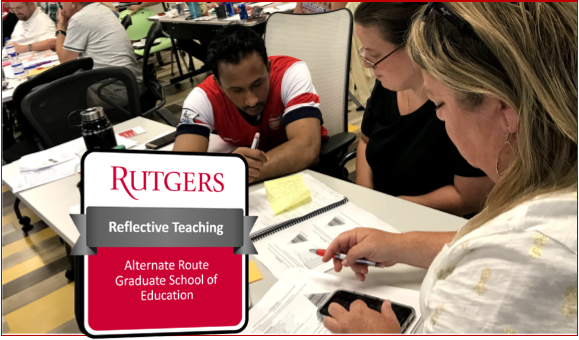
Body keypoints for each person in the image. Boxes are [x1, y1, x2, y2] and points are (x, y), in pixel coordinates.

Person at [321, 2, 577, 334]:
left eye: (440, 104)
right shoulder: (552, 192)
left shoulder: (508, 277)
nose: (439, 118)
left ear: (504, 107)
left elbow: (508, 255)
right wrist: (400, 244)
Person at [353, 2, 493, 217]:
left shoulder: (459, 102)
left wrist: (398, 206)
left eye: (374, 56)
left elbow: (471, 198)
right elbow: (365, 140)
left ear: (414, 47)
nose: (367, 65)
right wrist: (365, 197)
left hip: (429, 221)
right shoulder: (388, 87)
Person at [173, 24, 326, 184]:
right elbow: (182, 171)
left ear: (268, 69)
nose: (252, 100)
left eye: (257, 83)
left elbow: (307, 149)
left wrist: (233, 172)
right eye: (237, 90)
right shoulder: (202, 97)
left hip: (308, 178)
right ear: (218, 84)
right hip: (255, 188)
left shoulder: (291, 72)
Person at [55, 2, 145, 93]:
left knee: (56, 95)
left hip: (115, 89)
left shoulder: (80, 18)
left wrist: (61, 28)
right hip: (131, 81)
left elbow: (65, 61)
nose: (61, 5)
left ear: (73, 2)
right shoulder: (103, 9)